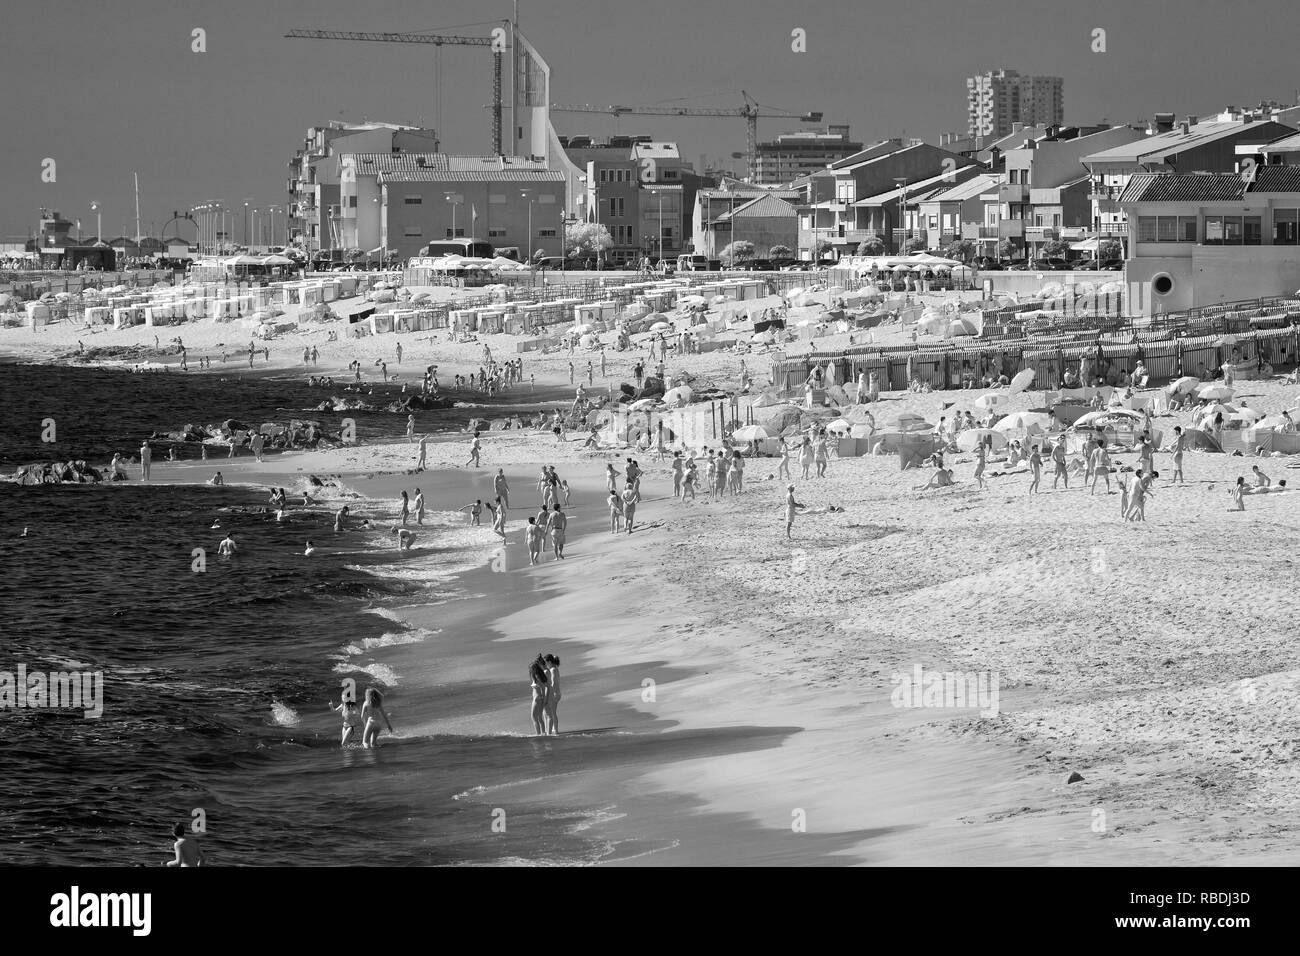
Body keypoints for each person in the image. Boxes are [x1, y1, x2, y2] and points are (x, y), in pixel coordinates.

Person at [529, 654, 549, 735]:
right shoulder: (539, 676)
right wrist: (544, 698)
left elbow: (542, 688)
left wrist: (544, 698)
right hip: (539, 698)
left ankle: (538, 734)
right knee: (540, 718)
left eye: (531, 669)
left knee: (534, 718)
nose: (530, 671)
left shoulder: (537, 677)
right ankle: (543, 733)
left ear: (534, 669)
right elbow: (545, 687)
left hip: (537, 699)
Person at [544, 654, 562, 735]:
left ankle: (556, 731)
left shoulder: (553, 670)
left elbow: (554, 682)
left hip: (555, 694)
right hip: (557, 693)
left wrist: (549, 691)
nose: (546, 665)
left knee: (553, 712)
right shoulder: (554, 669)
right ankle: (555, 730)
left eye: (546, 663)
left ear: (550, 662)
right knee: (553, 712)